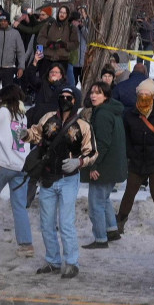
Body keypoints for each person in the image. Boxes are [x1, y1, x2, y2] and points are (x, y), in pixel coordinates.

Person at [27, 86, 96, 278]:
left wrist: (79, 161)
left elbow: (92, 151)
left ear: (76, 100)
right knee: (46, 223)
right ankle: (53, 261)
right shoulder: (49, 117)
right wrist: (25, 135)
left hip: (68, 179)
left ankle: (72, 262)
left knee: (65, 223)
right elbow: (37, 133)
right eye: (62, 96)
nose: (65, 99)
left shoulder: (83, 125)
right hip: (47, 178)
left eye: (69, 97)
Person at [115, 79, 154, 236]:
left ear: (153, 95)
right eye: (141, 93)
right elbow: (126, 138)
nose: (144, 96)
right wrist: (130, 155)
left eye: (147, 93)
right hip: (137, 160)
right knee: (130, 191)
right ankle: (119, 222)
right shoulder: (129, 115)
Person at [0, 86, 34, 257]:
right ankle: (26, 244)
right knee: (19, 205)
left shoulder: (2, 113)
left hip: (2, 164)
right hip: (20, 165)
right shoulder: (22, 115)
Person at [82, 81, 126, 248]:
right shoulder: (112, 110)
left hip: (104, 167)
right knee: (105, 199)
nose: (93, 95)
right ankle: (112, 230)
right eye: (92, 92)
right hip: (113, 165)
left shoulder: (102, 114)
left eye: (98, 93)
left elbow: (102, 143)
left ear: (106, 96)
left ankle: (100, 238)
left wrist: (94, 165)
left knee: (95, 204)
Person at [0, 13, 27, 99]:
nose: (3, 23)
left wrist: (21, 67)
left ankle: (7, 111)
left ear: (8, 22)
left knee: (7, 93)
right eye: (1, 21)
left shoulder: (15, 33)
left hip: (8, 68)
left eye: (5, 21)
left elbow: (20, 51)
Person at [38, 6, 76, 79]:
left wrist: (65, 45)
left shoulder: (71, 27)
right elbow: (40, 38)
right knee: (45, 82)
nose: (62, 14)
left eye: (64, 13)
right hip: (48, 59)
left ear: (67, 15)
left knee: (60, 83)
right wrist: (48, 43)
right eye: (61, 12)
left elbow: (75, 44)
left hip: (62, 60)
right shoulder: (49, 24)